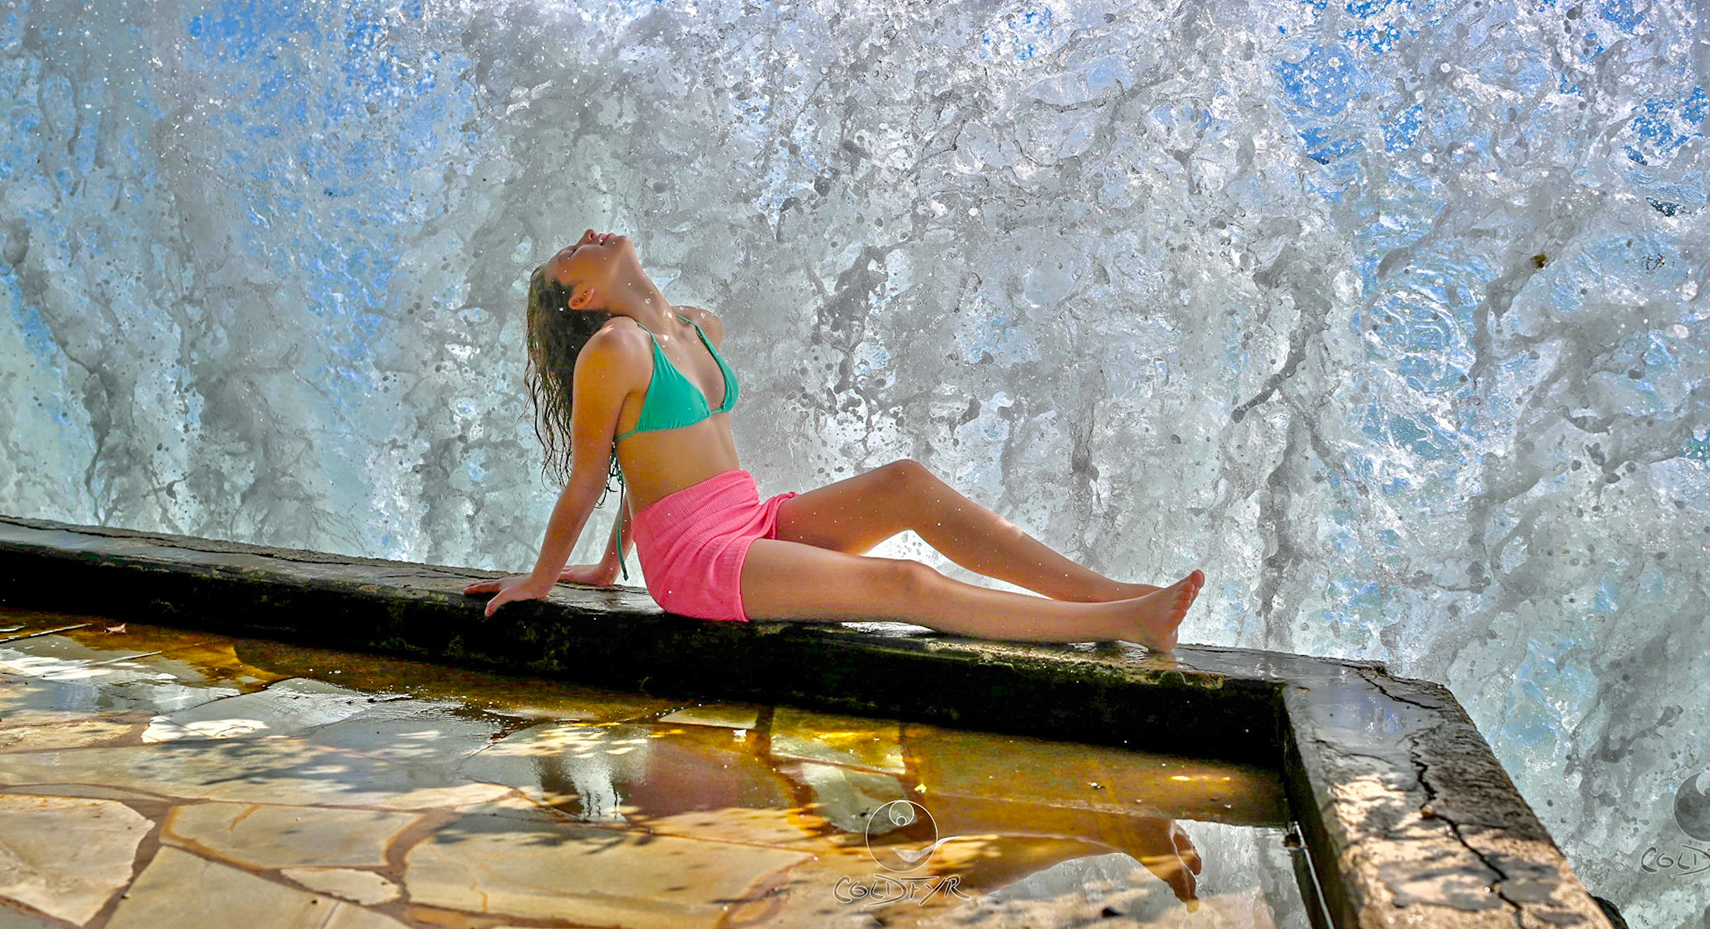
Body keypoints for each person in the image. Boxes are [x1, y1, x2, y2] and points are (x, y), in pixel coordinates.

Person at [465, 229, 1205, 652]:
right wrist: (540, 579)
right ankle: (1122, 622)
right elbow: (591, 476)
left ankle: (1117, 593)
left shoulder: (696, 327)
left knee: (906, 482)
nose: (587, 238)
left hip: (749, 521)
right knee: (901, 582)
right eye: (571, 254)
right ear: (583, 296)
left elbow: (646, 462)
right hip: (699, 560)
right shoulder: (613, 350)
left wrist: (608, 563)